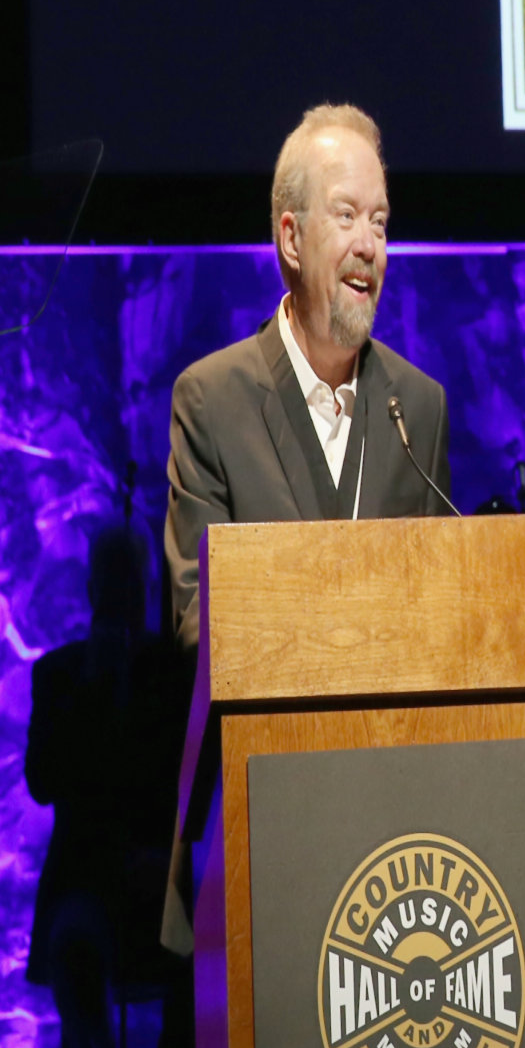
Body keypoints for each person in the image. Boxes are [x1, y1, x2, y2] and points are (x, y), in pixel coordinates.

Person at [163, 102, 452, 655]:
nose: (369, 245)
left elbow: (441, 605)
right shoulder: (211, 402)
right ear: (291, 239)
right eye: (346, 216)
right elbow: (198, 624)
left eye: (379, 222)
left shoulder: (418, 408)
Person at [24, 526, 190, 1048]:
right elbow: (42, 782)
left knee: (209, 947)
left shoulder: (172, 673)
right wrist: (92, 688)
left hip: (159, 878)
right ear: (92, 592)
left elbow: (188, 781)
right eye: (111, 588)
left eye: (131, 589)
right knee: (72, 948)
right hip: (86, 884)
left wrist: (163, 861)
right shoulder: (58, 676)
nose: (122, 602)